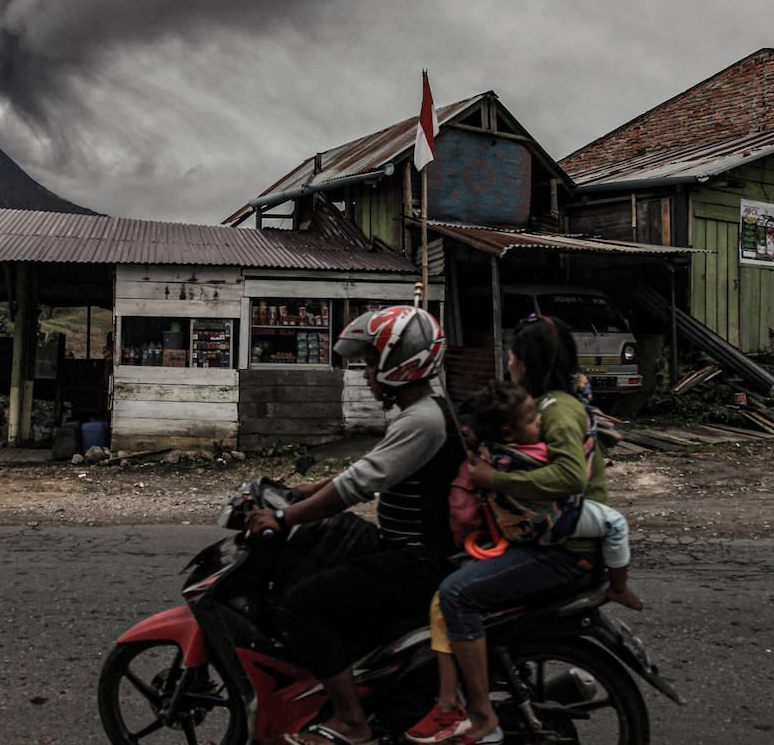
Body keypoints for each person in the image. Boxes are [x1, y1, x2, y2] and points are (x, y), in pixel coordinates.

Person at [245, 305, 462, 745]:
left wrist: (285, 516)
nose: (365, 372)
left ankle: (351, 722)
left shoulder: (422, 419)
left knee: (301, 605)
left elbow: (356, 487)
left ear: (400, 364)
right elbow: (370, 468)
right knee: (325, 548)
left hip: (418, 559)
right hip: (406, 548)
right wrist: (306, 492)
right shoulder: (420, 409)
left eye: (370, 362)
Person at [406, 314, 611, 745]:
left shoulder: (557, 409)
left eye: (514, 356)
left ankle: (480, 716)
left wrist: (494, 480)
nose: (510, 364)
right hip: (552, 538)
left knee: (456, 594)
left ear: (528, 362)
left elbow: (571, 477)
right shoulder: (549, 403)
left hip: (564, 548)